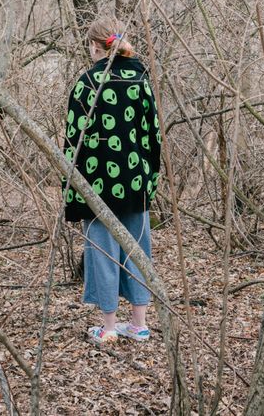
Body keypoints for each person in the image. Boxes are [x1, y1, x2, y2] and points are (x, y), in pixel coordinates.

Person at [63, 17, 162, 344]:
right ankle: (139, 325)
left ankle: (107, 328)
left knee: (102, 252)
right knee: (137, 249)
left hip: (97, 186)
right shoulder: (141, 80)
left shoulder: (87, 83)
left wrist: (73, 193)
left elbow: (73, 142)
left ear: (94, 45)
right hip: (135, 183)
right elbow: (153, 135)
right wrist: (149, 181)